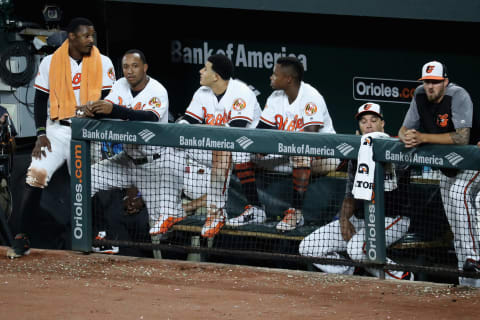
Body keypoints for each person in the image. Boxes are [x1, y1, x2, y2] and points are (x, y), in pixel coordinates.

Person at [6, 17, 116, 259]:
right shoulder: (50, 63)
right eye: (86, 35)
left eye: (92, 35)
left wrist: (96, 114)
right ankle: (22, 236)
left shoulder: (103, 61)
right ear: (72, 37)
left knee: (91, 182)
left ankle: (101, 236)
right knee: (35, 176)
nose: (91, 39)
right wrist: (40, 133)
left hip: (88, 130)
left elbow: (110, 97)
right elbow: (40, 100)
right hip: (57, 129)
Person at [148, 54, 262, 238]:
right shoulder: (203, 92)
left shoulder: (241, 92)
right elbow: (189, 120)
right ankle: (170, 210)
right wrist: (179, 131)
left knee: (223, 148)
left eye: (205, 68)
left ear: (216, 76)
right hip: (214, 146)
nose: (200, 71)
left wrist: (198, 133)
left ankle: (217, 214)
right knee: (172, 145)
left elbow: (233, 132)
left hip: (248, 150)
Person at [299, 103, 413, 279]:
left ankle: (402, 277)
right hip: (361, 218)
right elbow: (350, 195)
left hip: (392, 219)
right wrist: (344, 218)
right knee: (309, 247)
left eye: (374, 120)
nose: (368, 125)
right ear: (359, 127)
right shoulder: (357, 152)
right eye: (363, 121)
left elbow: (393, 178)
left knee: (357, 248)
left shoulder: (396, 148)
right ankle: (353, 275)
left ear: (382, 124)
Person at [228, 56, 336, 232]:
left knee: (300, 154)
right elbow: (262, 131)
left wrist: (274, 149)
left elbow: (310, 140)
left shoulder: (310, 97)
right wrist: (259, 149)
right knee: (241, 154)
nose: (271, 77)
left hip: (323, 156)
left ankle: (296, 213)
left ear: (288, 79)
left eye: (275, 74)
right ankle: (255, 209)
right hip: (287, 155)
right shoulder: (275, 97)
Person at [79, 49, 170, 250]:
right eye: (126, 67)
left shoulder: (157, 90)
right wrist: (92, 109)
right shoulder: (120, 85)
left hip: (154, 165)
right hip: (127, 160)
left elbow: (149, 118)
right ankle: (102, 234)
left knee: (159, 230)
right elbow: (108, 107)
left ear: (145, 68)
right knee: (85, 178)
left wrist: (115, 110)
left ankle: (169, 266)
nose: (130, 71)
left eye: (135, 66)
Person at [398, 61, 480, 283]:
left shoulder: (458, 95)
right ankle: (469, 283)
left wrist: (422, 137)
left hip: (473, 162)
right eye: (427, 82)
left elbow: (462, 138)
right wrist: (406, 136)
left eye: (435, 82)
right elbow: (404, 129)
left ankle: (475, 256)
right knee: (455, 223)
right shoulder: (419, 95)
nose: (430, 87)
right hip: (446, 167)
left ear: (445, 81)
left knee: (459, 194)